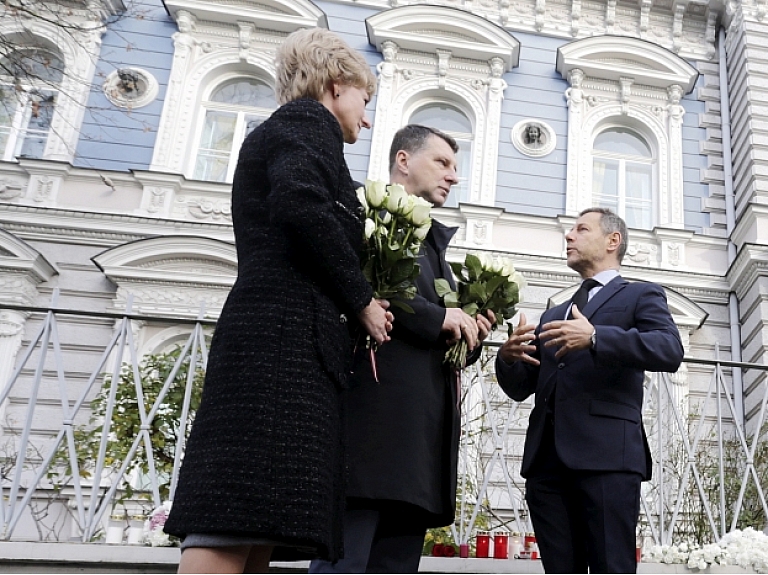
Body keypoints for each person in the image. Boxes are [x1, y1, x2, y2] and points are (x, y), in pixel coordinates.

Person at [164, 28, 393, 574]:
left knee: (260, 519)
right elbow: (301, 205)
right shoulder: (306, 123)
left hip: (284, 338)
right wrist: (360, 298)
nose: (365, 118)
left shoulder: (296, 130)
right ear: (336, 86)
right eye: (365, 101)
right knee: (233, 512)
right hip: (279, 342)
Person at [310, 125, 494, 574]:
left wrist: (472, 334)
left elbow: (440, 333)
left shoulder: (435, 244)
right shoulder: (363, 213)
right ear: (403, 161)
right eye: (443, 163)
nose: (453, 176)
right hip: (369, 435)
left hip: (419, 451)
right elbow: (364, 285)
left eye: (456, 167)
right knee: (344, 562)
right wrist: (440, 319)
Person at [495, 208, 684, 573]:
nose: (569, 236)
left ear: (613, 241)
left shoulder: (641, 295)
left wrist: (596, 337)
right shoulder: (555, 314)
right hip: (546, 465)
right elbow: (521, 387)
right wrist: (507, 357)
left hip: (608, 460)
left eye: (581, 229)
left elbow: (669, 350)